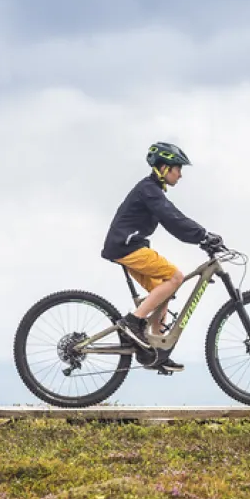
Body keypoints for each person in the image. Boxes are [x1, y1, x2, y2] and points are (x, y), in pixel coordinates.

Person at [101, 142, 222, 373]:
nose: (181, 174)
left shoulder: (153, 190)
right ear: (165, 167)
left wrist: (200, 237)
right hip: (126, 247)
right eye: (178, 168)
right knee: (175, 277)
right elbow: (172, 218)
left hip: (127, 247)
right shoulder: (149, 190)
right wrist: (203, 235)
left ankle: (156, 350)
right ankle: (132, 322)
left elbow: (173, 219)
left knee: (163, 291)